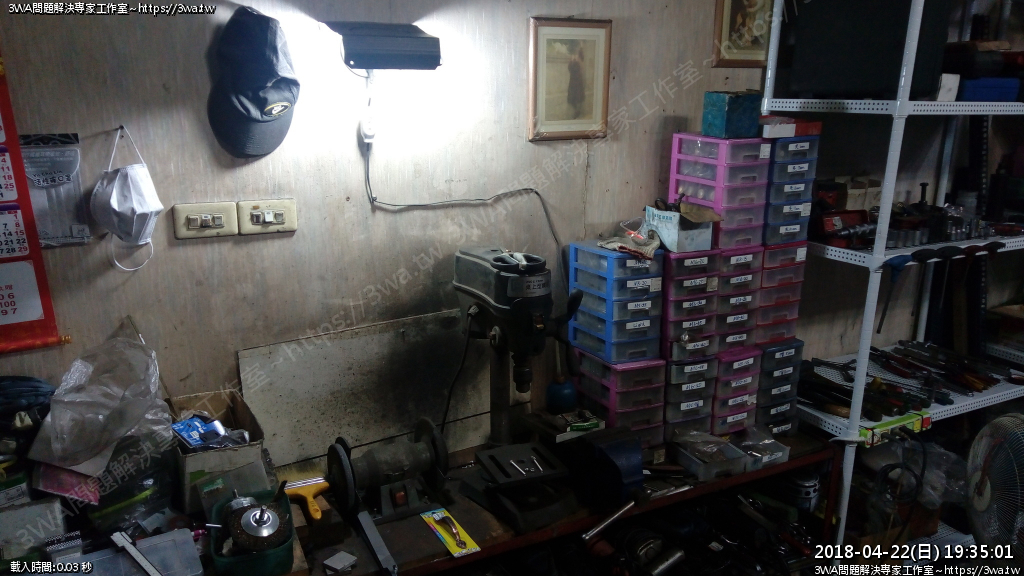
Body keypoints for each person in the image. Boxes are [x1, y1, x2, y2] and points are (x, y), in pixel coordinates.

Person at [567, 44, 586, 119]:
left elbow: (576, 69)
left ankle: (577, 111)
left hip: (578, 82)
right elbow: (569, 69)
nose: (574, 57)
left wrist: (575, 61)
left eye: (575, 55)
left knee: (578, 97)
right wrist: (571, 61)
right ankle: (577, 110)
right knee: (572, 99)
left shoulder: (579, 62)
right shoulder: (572, 62)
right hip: (572, 82)